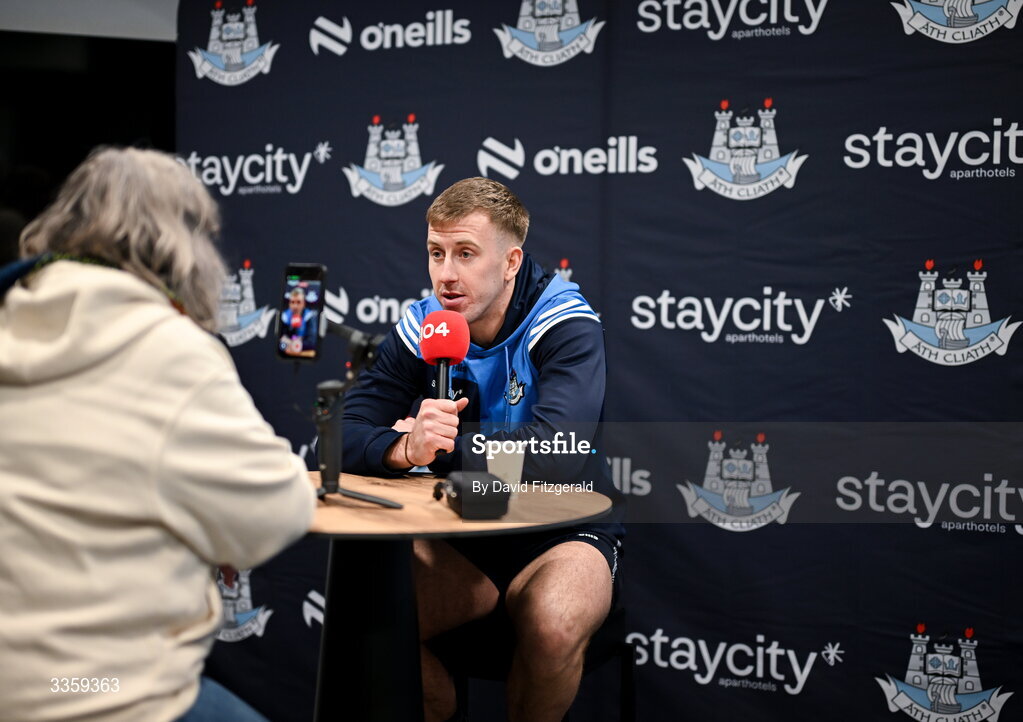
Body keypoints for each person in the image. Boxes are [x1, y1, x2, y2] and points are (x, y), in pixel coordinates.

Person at [0, 147, 317, 722]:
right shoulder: (171, 349)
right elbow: (279, 512)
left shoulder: (10, 317)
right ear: (183, 243)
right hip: (94, 691)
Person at [342, 177, 624, 721]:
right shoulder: (424, 324)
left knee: (554, 621)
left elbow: (557, 454)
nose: (446, 274)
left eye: (466, 254)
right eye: (436, 253)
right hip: (461, 529)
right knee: (370, 622)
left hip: (559, 527)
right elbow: (338, 436)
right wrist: (405, 448)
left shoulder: (564, 322)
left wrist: (438, 449)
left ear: (511, 261)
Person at [279, 286, 318, 357]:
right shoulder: (284, 317)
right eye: (292, 302)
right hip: (286, 354)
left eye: (298, 302)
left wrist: (295, 344)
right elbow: (280, 342)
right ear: (289, 303)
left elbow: (312, 342)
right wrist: (290, 344)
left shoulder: (309, 316)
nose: (295, 306)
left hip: (305, 354)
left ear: (304, 303)